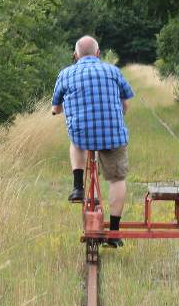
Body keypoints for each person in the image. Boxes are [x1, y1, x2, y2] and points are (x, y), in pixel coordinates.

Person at [51, 35, 134, 246]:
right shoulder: (113, 71)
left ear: (75, 55)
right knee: (117, 179)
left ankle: (78, 186)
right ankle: (114, 234)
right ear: (98, 53)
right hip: (112, 134)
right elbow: (126, 105)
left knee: (76, 140)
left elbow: (55, 108)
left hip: (83, 134)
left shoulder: (66, 74)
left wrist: (61, 110)